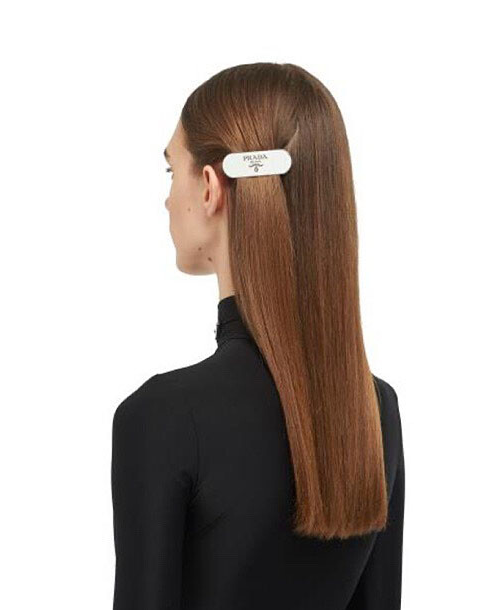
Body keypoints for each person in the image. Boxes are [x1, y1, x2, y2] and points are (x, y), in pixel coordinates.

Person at [111, 62, 405, 610]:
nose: (167, 198)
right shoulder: (374, 410)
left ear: (209, 186)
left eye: (170, 170)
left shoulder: (162, 416)